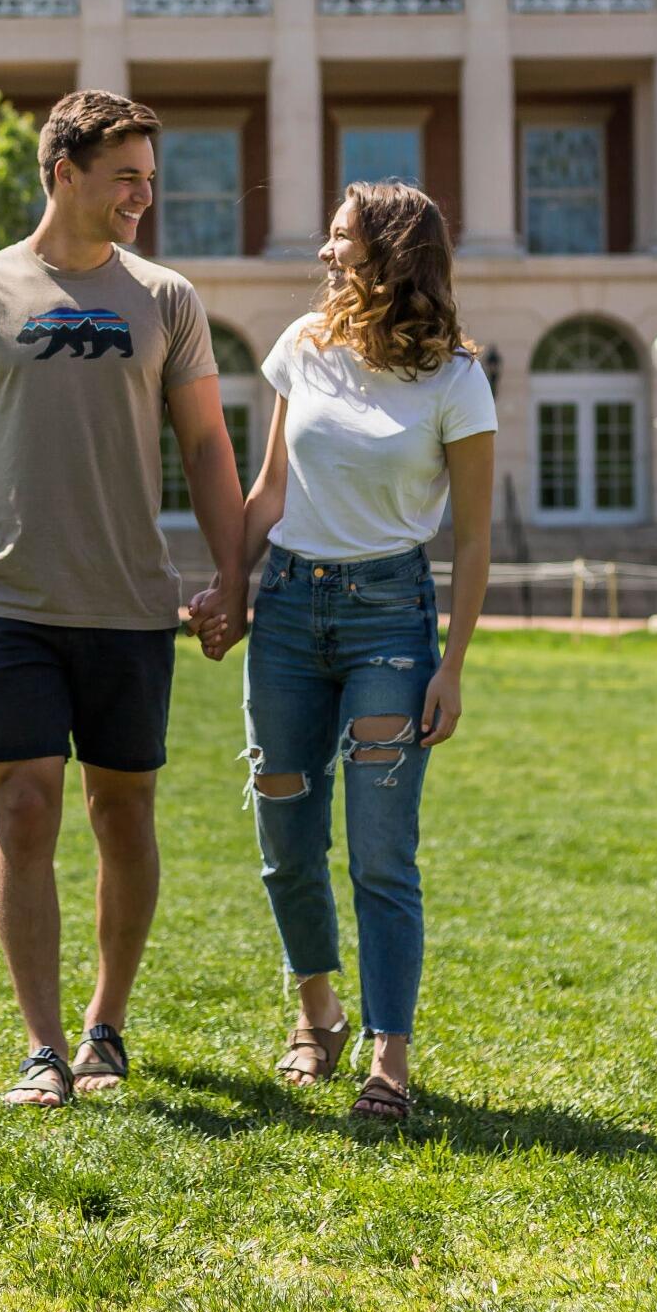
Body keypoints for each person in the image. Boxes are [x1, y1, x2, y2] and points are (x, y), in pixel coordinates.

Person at [0, 89, 248, 1109]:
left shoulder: (168, 299)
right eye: (126, 176)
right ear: (64, 172)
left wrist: (234, 576)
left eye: (150, 176)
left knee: (123, 811)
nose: (143, 195)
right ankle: (42, 1047)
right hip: (7, 598)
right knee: (24, 805)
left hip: (130, 603)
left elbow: (206, 445)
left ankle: (108, 1021)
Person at [192, 180, 495, 1123]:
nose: (325, 254)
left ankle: (388, 1060)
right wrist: (231, 589)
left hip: (390, 624)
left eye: (340, 240)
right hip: (287, 610)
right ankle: (315, 1008)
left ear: (390, 255)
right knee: (284, 834)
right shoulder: (303, 347)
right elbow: (271, 487)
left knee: (379, 851)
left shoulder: (455, 379)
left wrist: (453, 664)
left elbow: (474, 542)